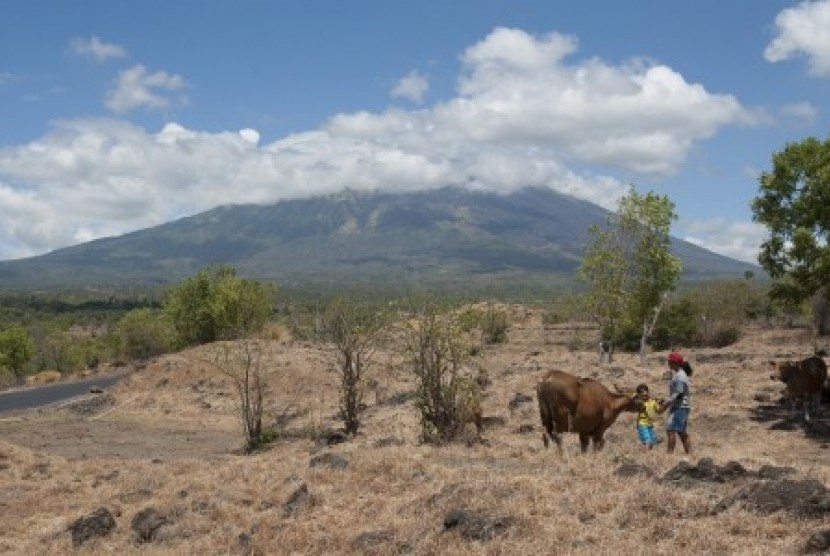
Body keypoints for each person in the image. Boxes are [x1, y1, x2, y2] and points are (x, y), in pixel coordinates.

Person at [658, 350, 692, 455]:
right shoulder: (678, 374)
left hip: (679, 407)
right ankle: (689, 454)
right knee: (681, 431)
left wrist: (665, 404)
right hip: (682, 406)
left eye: (670, 361)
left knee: (670, 430)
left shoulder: (680, 376)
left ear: (675, 363)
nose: (668, 363)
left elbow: (679, 394)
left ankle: (669, 454)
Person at [634, 383, 659, 451]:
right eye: (642, 392)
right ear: (639, 395)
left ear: (648, 392)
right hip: (642, 423)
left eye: (646, 391)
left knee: (652, 441)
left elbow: (658, 410)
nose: (644, 394)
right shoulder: (640, 402)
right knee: (648, 440)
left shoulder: (652, 401)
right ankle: (646, 456)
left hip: (650, 424)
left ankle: (644, 452)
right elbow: (639, 405)